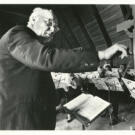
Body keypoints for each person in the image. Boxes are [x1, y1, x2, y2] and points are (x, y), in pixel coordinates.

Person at [0, 7, 128, 130]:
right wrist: (102, 54)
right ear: (33, 20)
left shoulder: (32, 46)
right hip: (20, 121)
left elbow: (31, 81)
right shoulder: (16, 34)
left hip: (37, 117)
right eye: (48, 23)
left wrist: (58, 97)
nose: (52, 30)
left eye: (55, 27)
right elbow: (48, 58)